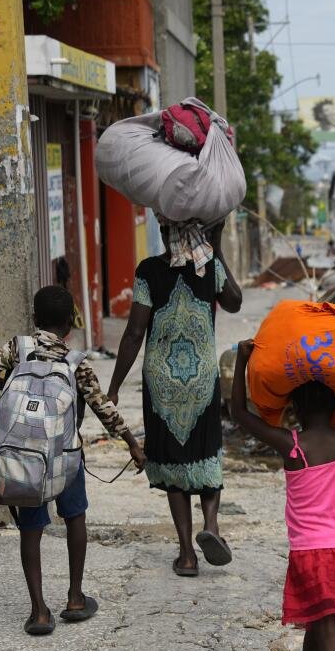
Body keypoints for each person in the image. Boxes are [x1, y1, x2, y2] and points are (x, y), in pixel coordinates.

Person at [0, 285, 146, 636]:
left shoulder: (16, 350)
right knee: (75, 518)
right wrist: (132, 443)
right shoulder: (75, 362)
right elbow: (103, 407)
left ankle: (38, 612)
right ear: (70, 323)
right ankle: (75, 598)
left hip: (21, 457)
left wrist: (16, 383)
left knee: (31, 530)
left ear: (34, 318)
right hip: (64, 457)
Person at [230, 340, 335, 651]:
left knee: (326, 625)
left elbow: (239, 413)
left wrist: (242, 361)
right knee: (317, 621)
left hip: (310, 552)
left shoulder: (291, 444)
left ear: (294, 409)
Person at [107, 220, 242, 577]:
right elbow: (235, 302)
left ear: (164, 231)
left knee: (171, 462)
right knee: (207, 452)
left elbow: (135, 332)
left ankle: (186, 555)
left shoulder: (149, 271)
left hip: (162, 384)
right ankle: (210, 526)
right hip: (201, 381)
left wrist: (115, 386)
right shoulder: (209, 267)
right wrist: (216, 247)